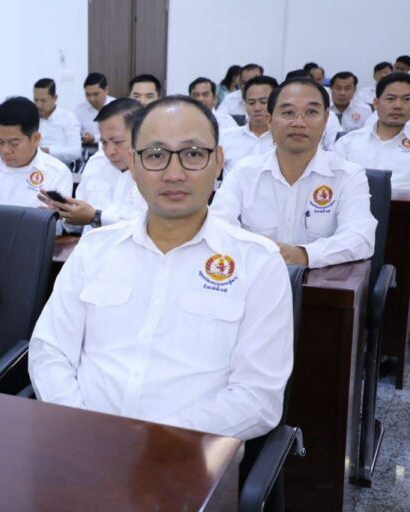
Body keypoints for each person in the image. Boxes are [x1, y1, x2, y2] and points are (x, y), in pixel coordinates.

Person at [29, 95, 293, 440]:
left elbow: (256, 398)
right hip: (78, 440)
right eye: (155, 155)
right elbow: (49, 351)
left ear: (218, 162)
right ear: (133, 164)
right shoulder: (94, 249)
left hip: (187, 456)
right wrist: (82, 429)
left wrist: (150, 444)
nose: (174, 174)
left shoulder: (258, 262)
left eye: (193, 154)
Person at [211, 78, 376, 269]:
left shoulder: (348, 175)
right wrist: (261, 252)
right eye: (288, 112)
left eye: (311, 112)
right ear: (269, 120)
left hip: (319, 281)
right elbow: (217, 226)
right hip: (252, 275)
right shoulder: (243, 172)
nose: (299, 122)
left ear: (325, 120)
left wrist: (303, 255)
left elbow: (360, 237)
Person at [38, 98, 146, 233]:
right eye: (104, 142)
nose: (109, 151)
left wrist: (96, 217)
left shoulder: (156, 172)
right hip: (88, 245)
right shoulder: (96, 164)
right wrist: (65, 214)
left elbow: (147, 228)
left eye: (117, 141)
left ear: (141, 135)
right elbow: (78, 227)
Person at [0, 97, 73, 206]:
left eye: (14, 143)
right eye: (0, 142)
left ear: (36, 139)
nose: (5, 150)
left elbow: (61, 220)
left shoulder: (57, 173)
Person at [335, 73, 410, 190]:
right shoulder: (347, 143)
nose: (398, 105)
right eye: (390, 99)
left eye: (407, 99)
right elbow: (334, 186)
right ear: (376, 104)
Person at [220, 76, 278, 173]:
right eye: (251, 103)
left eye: (263, 102)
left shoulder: (284, 140)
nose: (257, 108)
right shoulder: (226, 137)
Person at [33, 78, 82, 165]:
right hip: (35, 165)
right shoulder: (31, 118)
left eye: (43, 101)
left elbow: (76, 152)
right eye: (36, 100)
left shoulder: (68, 118)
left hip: (60, 166)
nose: (38, 105)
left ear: (55, 98)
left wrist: (48, 151)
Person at [73, 72, 115, 144]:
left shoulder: (116, 106)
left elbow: (118, 133)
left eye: (96, 94)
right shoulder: (80, 109)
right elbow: (74, 132)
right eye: (88, 95)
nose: (91, 99)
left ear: (106, 90)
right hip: (87, 147)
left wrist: (94, 138)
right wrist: (83, 137)